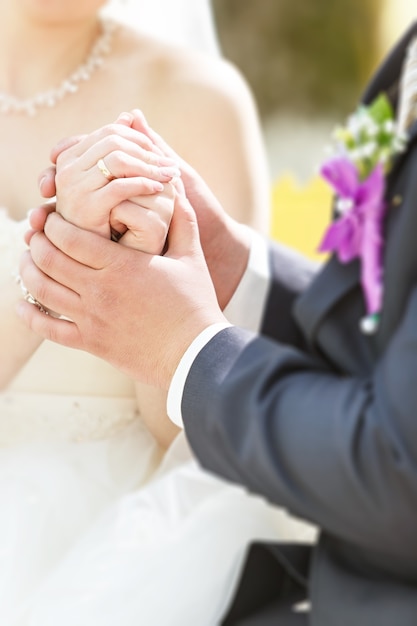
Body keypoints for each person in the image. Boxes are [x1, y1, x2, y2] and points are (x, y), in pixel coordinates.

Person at [19, 19, 417, 626]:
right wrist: (234, 262)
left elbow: (399, 463)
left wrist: (187, 343)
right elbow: (387, 341)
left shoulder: (200, 94)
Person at [0, 0, 297, 623]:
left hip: (127, 522)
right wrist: (64, 249)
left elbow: (204, 416)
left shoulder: (200, 97)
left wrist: (139, 259)